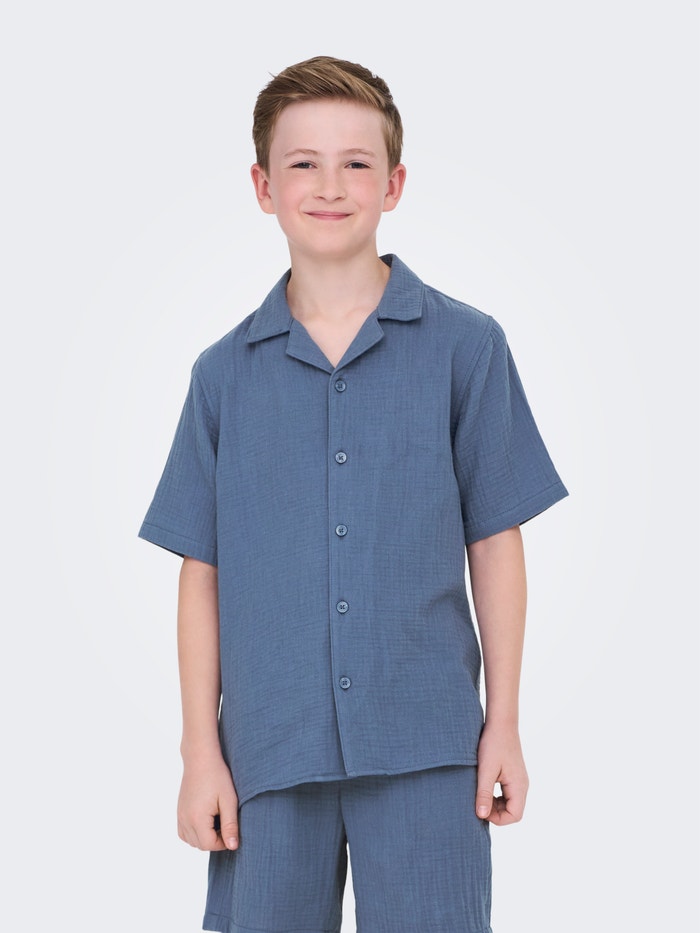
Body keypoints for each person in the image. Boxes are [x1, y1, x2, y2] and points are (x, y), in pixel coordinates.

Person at [138, 55, 568, 933]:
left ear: (394, 183)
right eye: (303, 163)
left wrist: (505, 723)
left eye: (356, 162)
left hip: (428, 746)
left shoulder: (467, 348)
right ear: (264, 186)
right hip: (267, 751)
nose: (330, 186)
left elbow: (495, 541)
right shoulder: (222, 376)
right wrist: (198, 751)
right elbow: (201, 572)